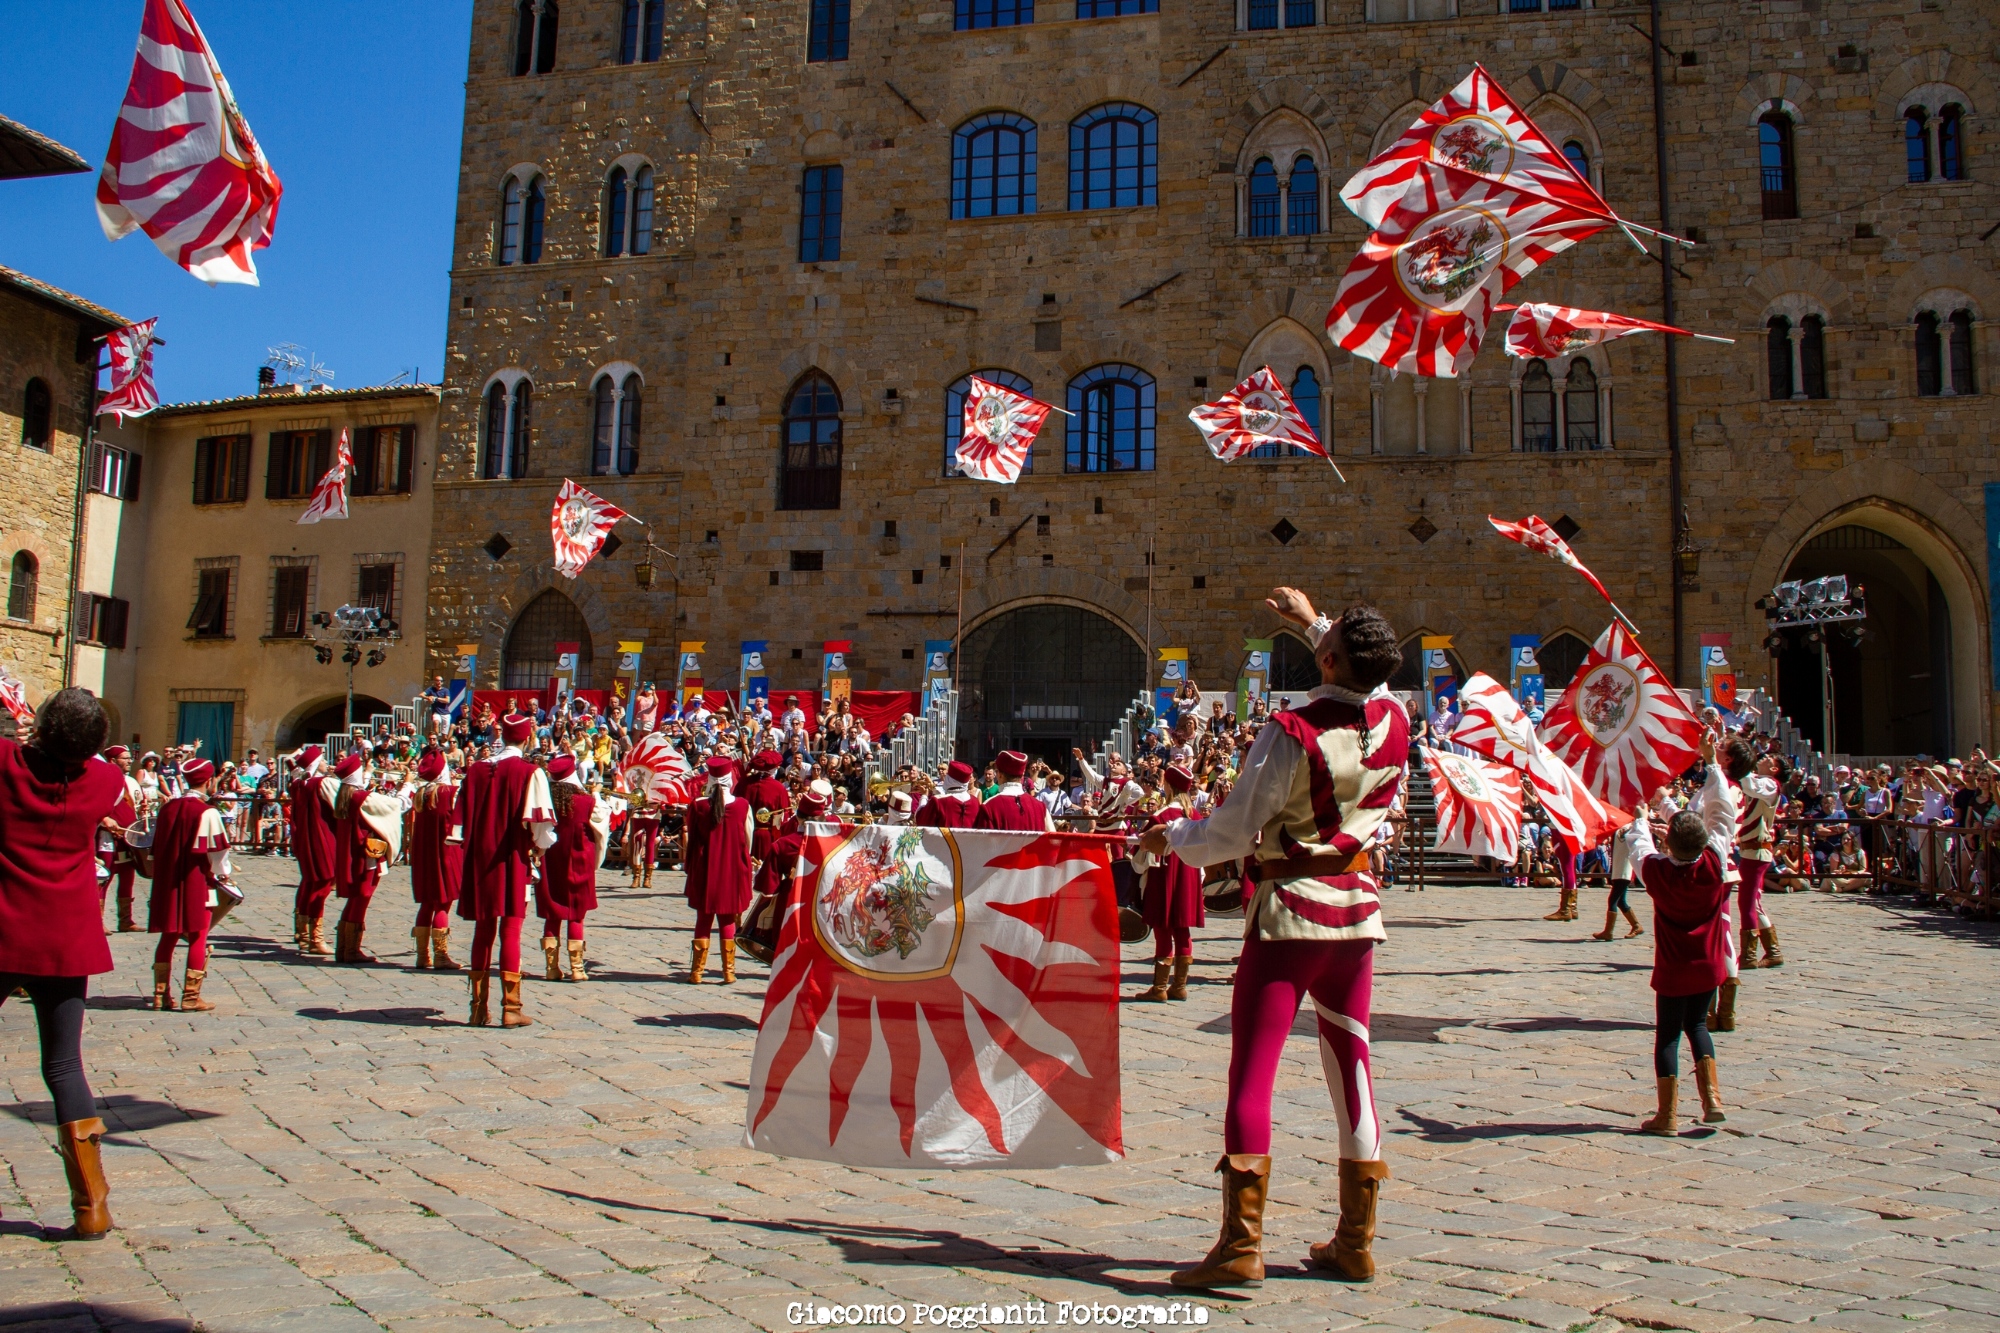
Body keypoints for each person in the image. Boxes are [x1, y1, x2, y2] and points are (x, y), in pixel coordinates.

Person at [1137, 589, 1408, 1288]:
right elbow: (1357, 667)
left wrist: (1172, 835)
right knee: (1353, 1070)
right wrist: (1315, 622)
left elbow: (1231, 830)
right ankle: (1357, 1239)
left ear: (1327, 657)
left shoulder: (1293, 729)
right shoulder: (1396, 718)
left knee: (1251, 1075)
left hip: (1290, 910)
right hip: (1355, 912)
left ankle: (1240, 1246)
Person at [0, 689, 129, 1240]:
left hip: (5, 924)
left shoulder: (5, 764)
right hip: (63, 932)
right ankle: (91, 1204)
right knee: (63, 1065)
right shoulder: (104, 781)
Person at [1626, 738, 1737, 1134]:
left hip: (1674, 969)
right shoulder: (1715, 860)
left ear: (1667, 841)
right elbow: (1722, 813)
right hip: (1709, 966)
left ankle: (1667, 1115)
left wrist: (1642, 816)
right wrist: (1712, 767)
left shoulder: (1657, 872)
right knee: (1699, 1028)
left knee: (1668, 1037)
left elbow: (1638, 845)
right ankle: (1712, 1100)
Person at [455, 713, 556, 1027]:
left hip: (478, 860)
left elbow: (459, 819)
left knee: (482, 931)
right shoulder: (530, 772)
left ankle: (477, 1008)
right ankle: (511, 1008)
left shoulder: (474, 770)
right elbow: (541, 825)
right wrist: (540, 846)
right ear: (526, 739)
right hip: (512, 857)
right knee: (510, 931)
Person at [147, 755, 234, 1014]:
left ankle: (160, 995)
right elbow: (217, 852)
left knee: (168, 935)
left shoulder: (167, 808)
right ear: (208, 781)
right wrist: (223, 874)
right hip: (196, 879)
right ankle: (191, 996)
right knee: (198, 935)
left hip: (169, 879)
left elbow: (155, 850)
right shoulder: (207, 811)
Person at [1131, 764, 1205, 1002]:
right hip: (1189, 875)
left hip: (1163, 875)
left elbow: (1139, 852)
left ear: (1169, 786)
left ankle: (1159, 987)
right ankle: (1180, 986)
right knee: (1183, 930)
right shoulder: (1195, 816)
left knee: (1163, 931)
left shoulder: (1160, 817)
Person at [683, 756, 754, 984]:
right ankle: (728, 971)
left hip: (705, 869)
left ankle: (697, 972)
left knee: (703, 920)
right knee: (727, 921)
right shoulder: (742, 805)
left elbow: (691, 839)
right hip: (731, 869)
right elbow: (747, 839)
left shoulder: (698, 805)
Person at [538, 754, 608, 982]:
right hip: (578, 861)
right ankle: (577, 968)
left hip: (550, 862)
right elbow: (601, 828)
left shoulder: (545, 800)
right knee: (576, 915)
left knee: (552, 915)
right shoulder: (586, 801)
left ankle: (551, 968)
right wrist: (596, 794)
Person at [330, 752, 402, 964]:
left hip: (352, 855)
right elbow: (394, 806)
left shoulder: (343, 796)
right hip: (366, 856)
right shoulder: (361, 798)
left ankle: (343, 946)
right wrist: (405, 787)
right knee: (362, 899)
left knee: (355, 899)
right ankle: (352, 949)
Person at [1723, 739, 1785, 975]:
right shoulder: (1761, 781)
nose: (1765, 758)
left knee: (1748, 902)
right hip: (1751, 848)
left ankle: (1749, 954)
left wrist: (1739, 760)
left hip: (1758, 849)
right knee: (1752, 903)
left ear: (1775, 769)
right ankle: (1772, 951)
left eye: (1770, 759)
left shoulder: (1770, 784)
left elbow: (1748, 785)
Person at [407, 747, 463, 971]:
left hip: (424, 854)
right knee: (442, 902)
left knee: (427, 903)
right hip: (445, 853)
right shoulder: (450, 793)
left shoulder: (421, 794)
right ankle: (440, 955)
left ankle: (422, 954)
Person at [289, 746, 337, 957]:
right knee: (322, 885)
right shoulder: (322, 783)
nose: (326, 763)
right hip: (322, 838)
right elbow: (340, 804)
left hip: (306, 837)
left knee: (309, 882)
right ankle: (315, 938)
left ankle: (303, 933)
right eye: (323, 760)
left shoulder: (299, 784)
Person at [100, 745, 144, 932]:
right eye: (124, 758)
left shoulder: (132, 782)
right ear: (112, 760)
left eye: (129, 758)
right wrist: (105, 821)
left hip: (128, 838)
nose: (129, 761)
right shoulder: (104, 781)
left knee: (127, 877)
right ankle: (98, 919)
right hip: (109, 838)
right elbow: (97, 808)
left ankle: (125, 919)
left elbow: (136, 804)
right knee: (104, 877)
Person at [1594, 815, 1646, 940]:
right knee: (1621, 901)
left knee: (1612, 900)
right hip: (1618, 867)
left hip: (1624, 868)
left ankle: (1608, 931)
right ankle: (1636, 925)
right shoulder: (1622, 826)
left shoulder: (1632, 827)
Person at [973, 752, 1052, 831]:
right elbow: (1054, 840)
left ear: (999, 775)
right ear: (1022, 774)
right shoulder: (1041, 808)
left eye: (996, 771)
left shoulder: (988, 807)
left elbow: (981, 842)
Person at [915, 760, 982, 828]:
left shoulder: (938, 801)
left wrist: (924, 796)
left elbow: (921, 821)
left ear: (949, 779)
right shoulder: (975, 801)